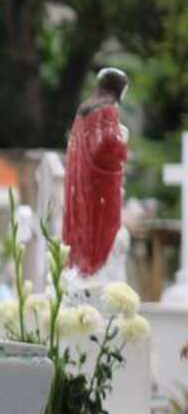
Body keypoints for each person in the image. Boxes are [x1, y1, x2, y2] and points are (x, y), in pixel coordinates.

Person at [62, 67, 129, 277]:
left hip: (83, 181)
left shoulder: (84, 110)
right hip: (102, 185)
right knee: (103, 228)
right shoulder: (108, 110)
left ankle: (84, 268)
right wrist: (122, 144)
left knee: (86, 225)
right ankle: (94, 269)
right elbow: (107, 144)